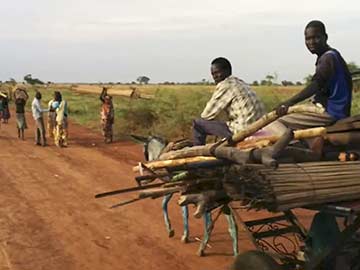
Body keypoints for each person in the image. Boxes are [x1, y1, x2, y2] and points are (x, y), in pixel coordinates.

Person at [274, 20, 352, 138]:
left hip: (330, 112)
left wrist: (289, 102)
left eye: (316, 37)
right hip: (331, 109)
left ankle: (290, 147)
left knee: (277, 122)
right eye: (308, 39)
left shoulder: (328, 58)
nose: (311, 42)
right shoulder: (332, 55)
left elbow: (316, 85)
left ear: (325, 37)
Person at [192, 57, 266, 145]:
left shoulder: (226, 85)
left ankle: (198, 150)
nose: (215, 77)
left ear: (227, 71)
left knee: (198, 123)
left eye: (217, 73)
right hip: (258, 128)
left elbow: (206, 115)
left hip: (243, 131)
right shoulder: (241, 83)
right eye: (213, 74)